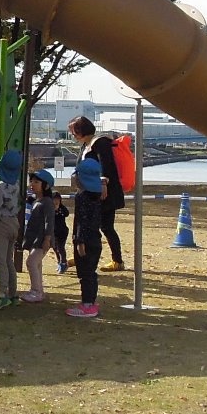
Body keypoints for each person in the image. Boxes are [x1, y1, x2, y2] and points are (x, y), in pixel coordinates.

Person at [68, 116, 127, 272]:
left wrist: (103, 183)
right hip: (88, 193)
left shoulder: (100, 142)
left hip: (103, 194)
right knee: (85, 225)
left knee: (105, 226)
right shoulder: (86, 145)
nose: (73, 135)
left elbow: (107, 165)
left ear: (81, 130)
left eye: (74, 131)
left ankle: (117, 260)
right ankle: (82, 255)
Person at [0, 149, 27, 309]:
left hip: (1, 224)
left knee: (0, 260)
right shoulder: (16, 185)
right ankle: (13, 293)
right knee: (9, 260)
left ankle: (2, 293)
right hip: (14, 222)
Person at [67, 156, 104, 319]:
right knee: (91, 272)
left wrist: (79, 241)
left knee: (85, 273)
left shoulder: (82, 197)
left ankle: (87, 305)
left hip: (85, 241)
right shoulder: (98, 195)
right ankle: (91, 301)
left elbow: (82, 220)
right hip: (95, 238)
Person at [21, 168, 58, 302]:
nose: (32, 184)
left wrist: (47, 239)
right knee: (37, 264)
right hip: (35, 239)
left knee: (31, 262)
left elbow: (50, 221)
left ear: (46, 185)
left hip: (42, 240)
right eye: (31, 181)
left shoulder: (47, 202)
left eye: (36, 182)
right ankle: (39, 291)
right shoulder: (38, 200)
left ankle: (35, 291)